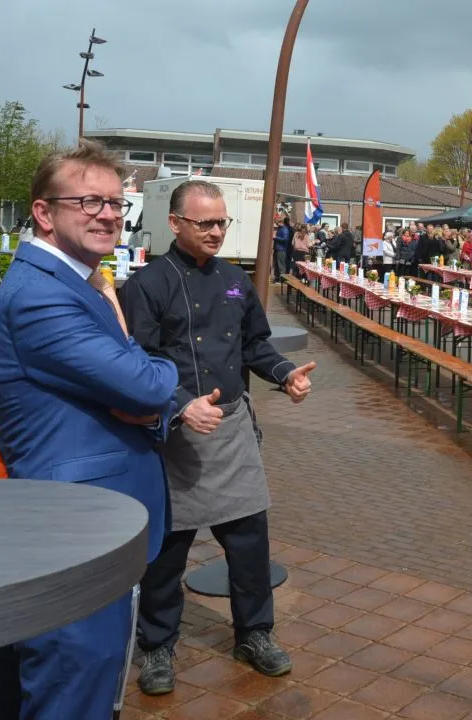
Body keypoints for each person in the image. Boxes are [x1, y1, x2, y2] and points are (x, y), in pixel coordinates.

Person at [0, 141, 179, 719]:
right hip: (70, 530)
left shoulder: (77, 282)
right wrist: (156, 378)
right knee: (73, 686)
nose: (109, 214)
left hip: (85, 522)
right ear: (44, 213)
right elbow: (146, 384)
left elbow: (135, 391)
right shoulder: (42, 295)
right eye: (89, 201)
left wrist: (144, 391)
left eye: (117, 203)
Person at [122, 180, 316, 695]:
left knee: (251, 544)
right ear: (175, 223)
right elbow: (136, 363)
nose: (215, 231)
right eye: (204, 222)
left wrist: (285, 374)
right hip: (177, 433)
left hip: (231, 430)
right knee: (167, 552)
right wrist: (181, 404)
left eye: (221, 222)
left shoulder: (235, 280)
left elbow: (255, 345)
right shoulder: (147, 285)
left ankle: (254, 634)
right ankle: (158, 645)